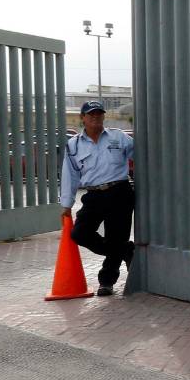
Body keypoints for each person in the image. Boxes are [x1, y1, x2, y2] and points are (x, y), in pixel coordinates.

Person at [60, 101, 135, 297]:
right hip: (93, 195)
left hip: (120, 192)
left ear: (103, 116)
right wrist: (66, 204)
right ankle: (126, 250)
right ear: (82, 118)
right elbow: (70, 175)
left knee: (116, 236)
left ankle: (107, 282)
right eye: (90, 114)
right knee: (79, 234)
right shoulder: (73, 145)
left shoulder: (119, 137)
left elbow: (140, 157)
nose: (95, 117)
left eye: (99, 114)